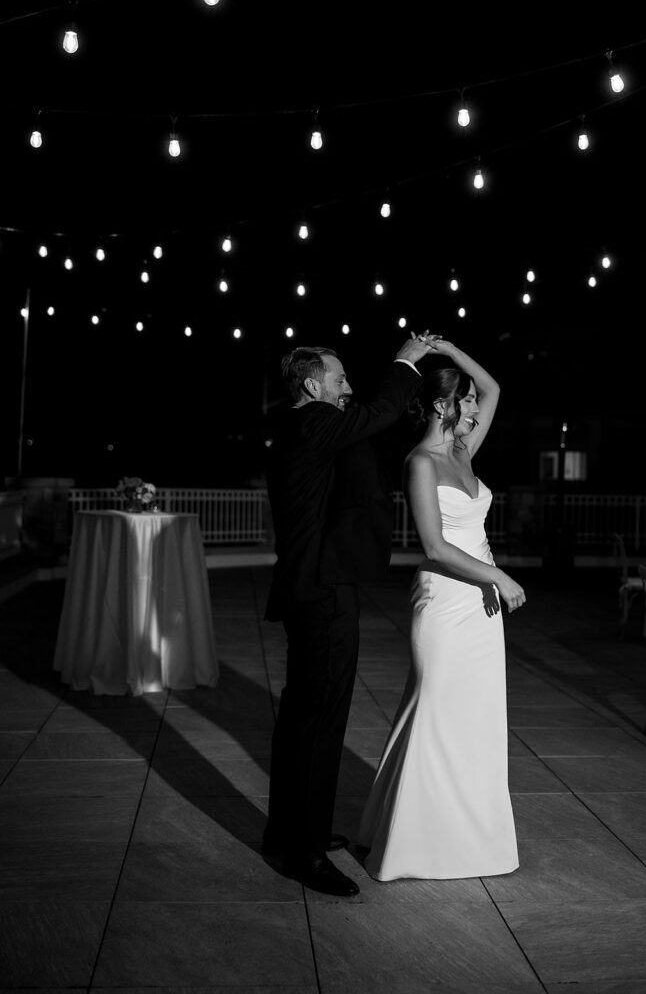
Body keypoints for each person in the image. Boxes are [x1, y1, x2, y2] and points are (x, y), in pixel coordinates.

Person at [263, 334, 440, 897]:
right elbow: (380, 410)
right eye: (339, 380)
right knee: (319, 724)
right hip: (322, 595)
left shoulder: (310, 430)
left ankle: (291, 833)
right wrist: (407, 362)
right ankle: (305, 855)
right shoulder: (311, 424)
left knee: (303, 720)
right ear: (313, 387)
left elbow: (368, 440)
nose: (348, 388)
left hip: (314, 588)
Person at [358, 338, 525, 881]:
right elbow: (433, 546)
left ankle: (470, 839)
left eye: (473, 403)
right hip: (446, 600)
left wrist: (450, 349)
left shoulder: (462, 451)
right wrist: (497, 575)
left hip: (481, 607)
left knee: (475, 718)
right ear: (441, 406)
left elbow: (497, 387)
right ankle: (411, 842)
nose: (476, 408)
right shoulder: (422, 462)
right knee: (434, 710)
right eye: (467, 401)